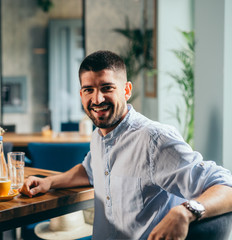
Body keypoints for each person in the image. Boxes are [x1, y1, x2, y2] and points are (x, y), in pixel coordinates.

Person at [20, 50, 232, 239]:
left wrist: (185, 211)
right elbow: (89, 170)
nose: (97, 98)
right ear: (81, 94)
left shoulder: (154, 140)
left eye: (107, 88)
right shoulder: (98, 136)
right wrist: (49, 182)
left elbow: (227, 187)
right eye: (88, 90)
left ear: (127, 90)